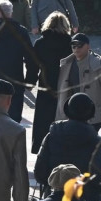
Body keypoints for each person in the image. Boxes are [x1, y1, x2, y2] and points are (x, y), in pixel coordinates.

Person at [27, 11, 72, 153]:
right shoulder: (70, 43)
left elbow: (33, 65)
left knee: (43, 118)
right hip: (65, 83)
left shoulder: (40, 43)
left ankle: (40, 146)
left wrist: (30, 81)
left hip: (46, 83)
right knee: (63, 115)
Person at [35, 93, 100, 191]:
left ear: (68, 111)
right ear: (90, 113)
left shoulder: (52, 135)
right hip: (85, 197)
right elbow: (99, 177)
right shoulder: (96, 141)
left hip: (54, 193)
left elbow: (40, 172)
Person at [54, 32, 101, 127]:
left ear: (88, 47)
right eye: (73, 45)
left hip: (94, 117)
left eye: (80, 45)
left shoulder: (99, 64)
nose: (76, 48)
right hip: (70, 116)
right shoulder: (65, 64)